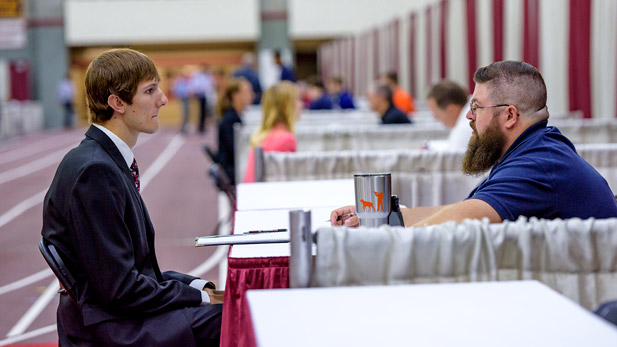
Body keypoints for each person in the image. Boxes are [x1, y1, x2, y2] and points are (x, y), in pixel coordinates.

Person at [41, 48, 222, 346]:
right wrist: (201, 297)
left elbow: (138, 273)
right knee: (234, 318)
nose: (163, 99)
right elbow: (121, 289)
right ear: (117, 103)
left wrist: (201, 287)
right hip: (112, 330)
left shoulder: (102, 160)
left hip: (118, 316)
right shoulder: (95, 172)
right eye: (150, 90)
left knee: (228, 306)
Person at [332, 61, 617, 227]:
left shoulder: (538, 166)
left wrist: (381, 229)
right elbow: (466, 208)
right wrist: (380, 217)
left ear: (509, 115)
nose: (468, 115)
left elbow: (459, 222)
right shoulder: (538, 149)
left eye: (477, 107)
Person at [243, 81, 300, 182]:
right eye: (297, 100)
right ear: (287, 106)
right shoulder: (286, 140)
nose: (301, 104)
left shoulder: (263, 135)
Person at [216, 78, 254, 185]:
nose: (251, 95)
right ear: (235, 96)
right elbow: (236, 151)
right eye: (247, 92)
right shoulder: (230, 121)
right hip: (233, 174)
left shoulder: (235, 117)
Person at [425, 80, 471, 150]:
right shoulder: (471, 109)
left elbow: (454, 156)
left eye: (437, 115)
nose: (436, 119)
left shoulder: (464, 128)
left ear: (451, 109)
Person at [189, 66, 214, 134]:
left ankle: (202, 126)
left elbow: (209, 85)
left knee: (204, 113)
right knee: (201, 112)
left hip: (205, 95)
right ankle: (201, 127)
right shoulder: (199, 75)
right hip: (200, 95)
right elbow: (198, 85)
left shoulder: (206, 75)